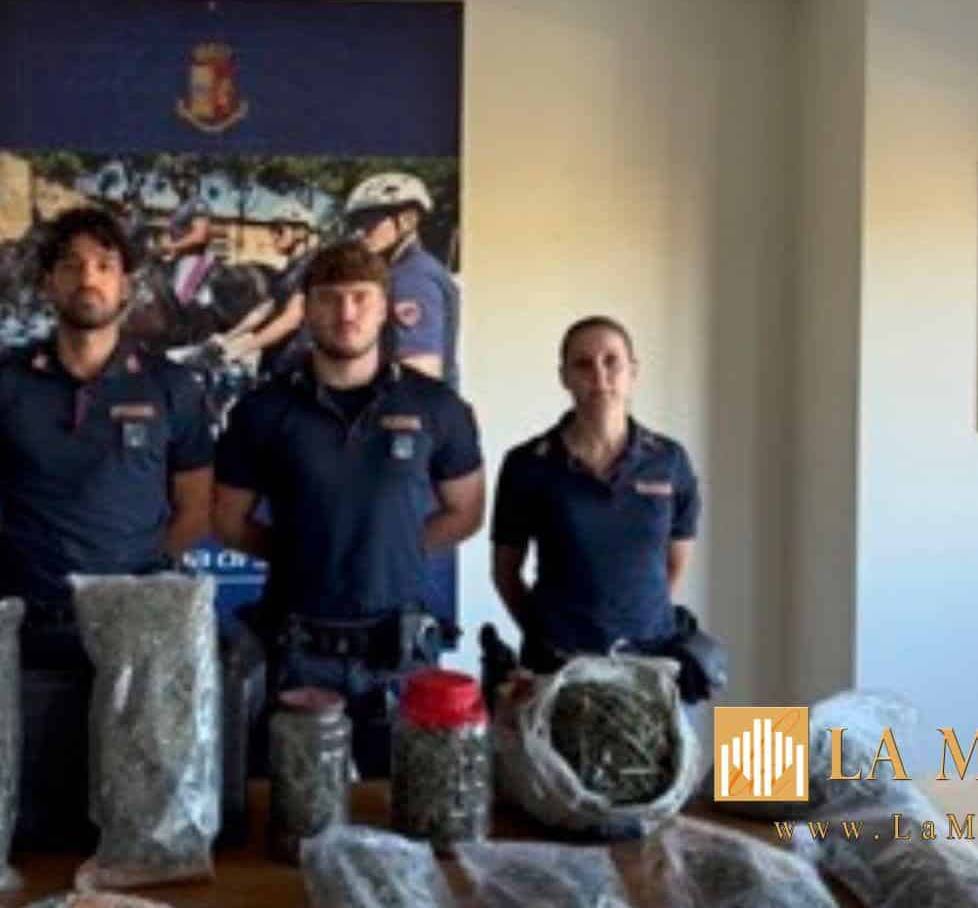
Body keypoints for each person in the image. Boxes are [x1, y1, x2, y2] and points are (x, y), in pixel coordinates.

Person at [213, 240, 485, 776]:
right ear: (307, 309)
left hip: (399, 656)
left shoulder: (438, 407)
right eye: (329, 298)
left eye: (361, 297)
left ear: (384, 308)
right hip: (295, 654)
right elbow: (226, 520)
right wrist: (307, 549)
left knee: (406, 809)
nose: (346, 312)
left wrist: (390, 545)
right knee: (293, 811)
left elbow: (467, 512)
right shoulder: (261, 411)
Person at [0, 205, 213, 669]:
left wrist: (139, 578)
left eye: (105, 266)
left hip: (136, 631)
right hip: (29, 631)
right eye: (71, 265)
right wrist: (28, 569)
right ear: (48, 283)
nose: (88, 278)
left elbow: (196, 511)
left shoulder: (173, 387)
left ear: (125, 285)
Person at [490, 316, 704, 684]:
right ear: (565, 377)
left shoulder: (669, 460)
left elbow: (674, 566)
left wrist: (636, 626)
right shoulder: (527, 464)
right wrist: (545, 636)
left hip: (648, 666)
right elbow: (506, 575)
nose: (599, 376)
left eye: (611, 361)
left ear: (633, 372)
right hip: (558, 668)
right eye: (583, 364)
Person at [343, 171, 460, 388]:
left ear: (407, 220)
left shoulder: (412, 278)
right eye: (357, 223)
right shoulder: (403, 269)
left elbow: (420, 377)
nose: (360, 233)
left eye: (370, 221)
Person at [211, 198, 320, 378]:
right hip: (276, 359)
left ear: (300, 233)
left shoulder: (313, 267)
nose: (273, 236)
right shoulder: (286, 271)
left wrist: (241, 348)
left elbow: (290, 320)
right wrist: (228, 337)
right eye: (272, 230)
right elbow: (264, 309)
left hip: (297, 364)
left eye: (279, 230)